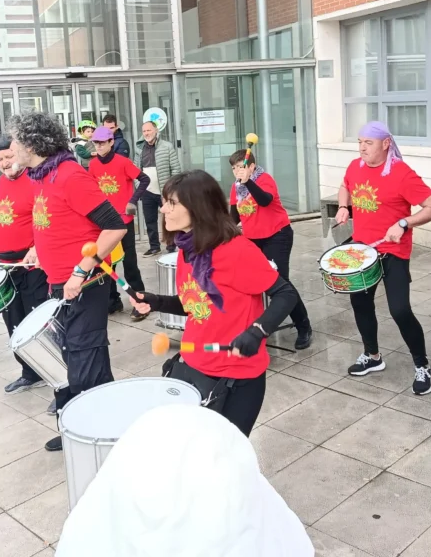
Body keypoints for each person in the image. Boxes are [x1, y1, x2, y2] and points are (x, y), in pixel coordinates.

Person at [132, 170, 304, 437]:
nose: (164, 208)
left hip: (236, 377)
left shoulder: (236, 251)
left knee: (225, 462)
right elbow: (195, 306)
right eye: (165, 201)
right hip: (193, 366)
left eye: (172, 203)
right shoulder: (187, 250)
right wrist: (157, 302)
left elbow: (286, 294)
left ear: (198, 207)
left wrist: (257, 330)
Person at [8, 111, 128, 452]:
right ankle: (96, 428)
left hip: (85, 285)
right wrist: (36, 247)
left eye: (16, 141)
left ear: (33, 143)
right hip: (58, 281)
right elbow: (54, 220)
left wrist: (80, 270)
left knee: (84, 361)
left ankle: (92, 432)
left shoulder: (70, 175)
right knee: (78, 360)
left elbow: (115, 226)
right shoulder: (40, 176)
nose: (12, 148)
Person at [54, 404, 314, 557]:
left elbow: (277, 308)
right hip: (200, 362)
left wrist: (260, 330)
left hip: (239, 367)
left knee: (221, 471)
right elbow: (196, 314)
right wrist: (160, 306)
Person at [335, 121, 431, 395]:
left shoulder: (401, 173)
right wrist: (342, 207)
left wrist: (405, 223)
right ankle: (372, 357)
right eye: (360, 141)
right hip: (362, 250)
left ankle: (422, 366)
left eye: (368, 143)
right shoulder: (354, 166)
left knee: (399, 310)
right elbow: (344, 186)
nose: (362, 147)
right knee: (360, 304)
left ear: (385, 144)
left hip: (393, 251)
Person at [0, 137, 48, 394]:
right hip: (5, 265)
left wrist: (37, 247)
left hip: (31, 266)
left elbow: (47, 218)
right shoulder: (4, 181)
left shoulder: (36, 180)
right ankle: (30, 372)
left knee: (37, 322)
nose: (5, 163)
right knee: (13, 320)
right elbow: (1, 214)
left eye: (8, 157)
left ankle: (57, 377)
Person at [229, 150, 312, 350]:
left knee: (280, 284)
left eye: (241, 166)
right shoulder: (236, 188)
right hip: (253, 239)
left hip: (277, 235)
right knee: (252, 282)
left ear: (252, 166)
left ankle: (304, 326)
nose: (237, 171)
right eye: (234, 168)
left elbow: (264, 200)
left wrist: (248, 182)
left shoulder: (265, 179)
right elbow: (234, 217)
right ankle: (257, 326)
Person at [88, 126, 149, 319]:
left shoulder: (123, 162)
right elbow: (91, 190)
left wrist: (133, 200)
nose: (98, 146)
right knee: (106, 264)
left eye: (102, 142)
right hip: (104, 222)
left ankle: (141, 303)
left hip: (123, 221)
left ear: (111, 142)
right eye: (96, 143)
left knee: (129, 263)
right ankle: (112, 301)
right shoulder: (93, 165)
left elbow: (144, 179)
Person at [135, 120, 182, 257]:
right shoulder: (139, 149)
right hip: (147, 190)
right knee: (150, 220)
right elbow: (135, 170)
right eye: (144, 131)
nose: (146, 133)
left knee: (169, 218)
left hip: (164, 190)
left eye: (149, 130)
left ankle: (171, 245)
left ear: (156, 131)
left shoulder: (167, 147)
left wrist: (171, 189)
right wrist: (139, 186)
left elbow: (176, 169)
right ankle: (154, 247)